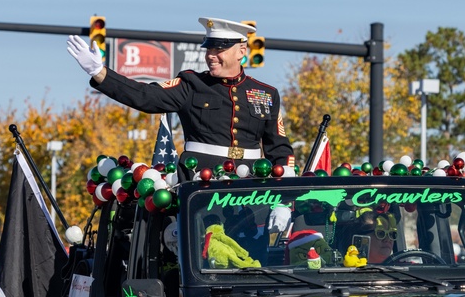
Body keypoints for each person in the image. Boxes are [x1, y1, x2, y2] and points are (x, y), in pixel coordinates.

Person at [67, 17, 295, 178]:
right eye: (209, 49)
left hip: (251, 187)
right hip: (200, 182)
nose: (211, 56)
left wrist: (285, 202)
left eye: (219, 50)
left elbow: (280, 151)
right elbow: (145, 96)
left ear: (242, 51)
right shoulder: (191, 84)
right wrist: (100, 73)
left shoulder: (266, 94)